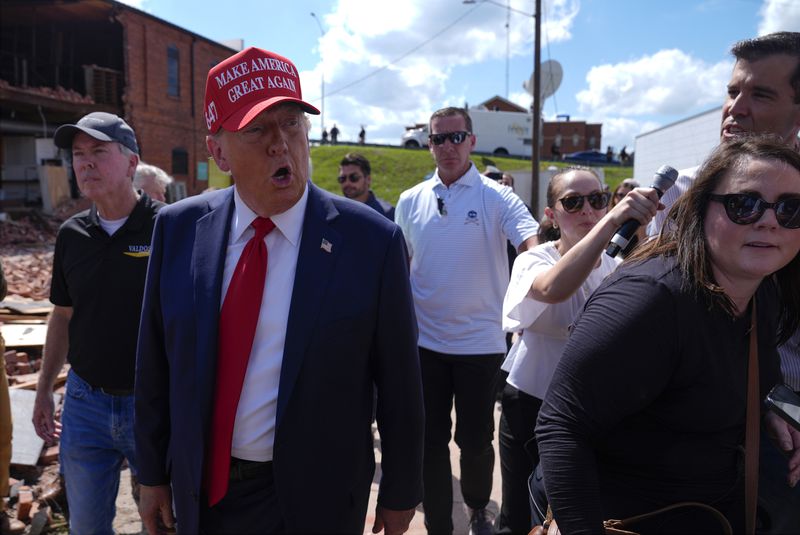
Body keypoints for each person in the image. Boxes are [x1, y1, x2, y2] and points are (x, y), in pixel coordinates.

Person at [135, 46, 424, 535]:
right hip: (205, 494)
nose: (280, 144)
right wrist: (151, 474)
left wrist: (400, 492)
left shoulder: (371, 241)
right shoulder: (179, 229)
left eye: (292, 123)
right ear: (219, 151)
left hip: (318, 499)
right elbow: (155, 363)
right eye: (257, 130)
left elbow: (399, 381)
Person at [536, 136, 800, 534]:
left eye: (790, 208)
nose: (769, 221)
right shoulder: (650, 299)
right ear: (702, 208)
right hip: (622, 519)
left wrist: (767, 412)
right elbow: (562, 426)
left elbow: (713, 375)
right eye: (743, 204)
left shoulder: (763, 289)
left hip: (706, 512)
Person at [646, 31, 800, 531]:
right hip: (686, 431)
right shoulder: (684, 193)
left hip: (789, 438)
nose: (736, 108)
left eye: (760, 94)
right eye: (733, 91)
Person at [395, 106, 539, 535]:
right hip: (425, 347)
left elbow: (531, 247)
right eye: (439, 139)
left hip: (481, 346)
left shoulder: (497, 197)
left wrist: (548, 277)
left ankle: (478, 507)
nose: (448, 147)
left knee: (475, 442)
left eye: (456, 137)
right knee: (430, 444)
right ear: (429, 145)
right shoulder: (409, 201)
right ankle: (440, 524)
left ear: (472, 141)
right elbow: (400, 268)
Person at [496, 168, 659, 534]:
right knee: (519, 514)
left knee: (574, 512)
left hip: (592, 410)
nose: (587, 210)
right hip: (532, 403)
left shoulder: (618, 267)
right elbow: (554, 289)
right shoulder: (534, 260)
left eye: (597, 200)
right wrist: (612, 221)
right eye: (573, 202)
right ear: (551, 214)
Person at [31, 111, 162, 534]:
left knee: (162, 522)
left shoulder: (168, 227)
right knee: (85, 527)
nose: (85, 163)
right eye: (78, 155)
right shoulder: (72, 235)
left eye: (99, 152)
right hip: (87, 404)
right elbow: (63, 315)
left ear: (130, 162)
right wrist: (44, 389)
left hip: (153, 403)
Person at [339, 152, 395, 220]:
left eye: (354, 177)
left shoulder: (387, 214)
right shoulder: (334, 212)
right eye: (342, 178)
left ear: (368, 179)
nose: (347, 183)